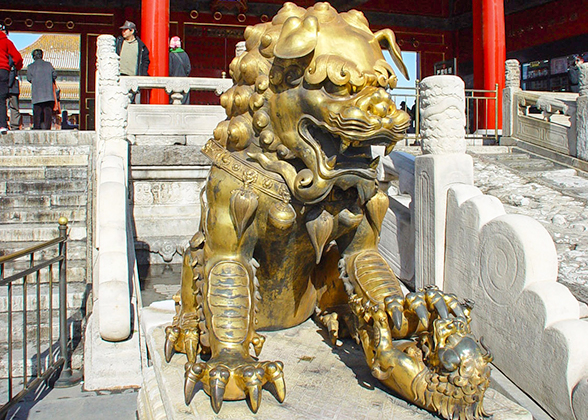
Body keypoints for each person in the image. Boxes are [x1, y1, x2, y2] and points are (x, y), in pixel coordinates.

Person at [115, 21, 149, 104]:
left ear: (132, 31)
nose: (123, 32)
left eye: (125, 30)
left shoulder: (141, 46)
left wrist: (142, 74)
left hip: (133, 76)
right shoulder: (119, 42)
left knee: (131, 101)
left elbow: (145, 61)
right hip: (120, 76)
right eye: (122, 30)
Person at [0, 23, 23, 134]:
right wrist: (17, 67)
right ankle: (2, 125)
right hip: (3, 71)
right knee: (1, 99)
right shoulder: (7, 42)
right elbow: (17, 58)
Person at [27, 49, 57, 130]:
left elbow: (29, 78)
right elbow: (54, 75)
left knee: (37, 114)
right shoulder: (49, 65)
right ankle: (47, 129)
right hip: (48, 94)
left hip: (37, 94)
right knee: (48, 114)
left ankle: (37, 128)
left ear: (33, 57)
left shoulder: (30, 67)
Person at [168, 36, 191, 104]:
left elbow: (170, 70)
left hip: (173, 82)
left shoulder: (171, 55)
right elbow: (188, 69)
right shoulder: (185, 54)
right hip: (184, 81)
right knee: (184, 101)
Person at [7, 56, 21, 130]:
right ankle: (14, 125)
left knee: (6, 107)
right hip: (13, 89)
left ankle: (7, 124)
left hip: (8, 88)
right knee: (14, 108)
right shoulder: (13, 63)